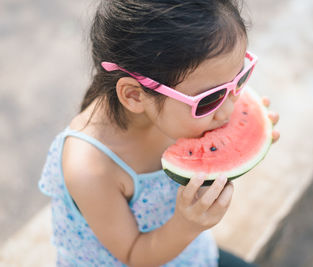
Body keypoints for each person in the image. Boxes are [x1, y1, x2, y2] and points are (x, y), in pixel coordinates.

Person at [38, 0, 280, 266]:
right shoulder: (90, 168)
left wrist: (240, 143)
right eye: (210, 99)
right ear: (134, 96)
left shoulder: (175, 113)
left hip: (189, 254)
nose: (228, 110)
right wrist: (186, 225)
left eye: (240, 78)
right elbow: (133, 255)